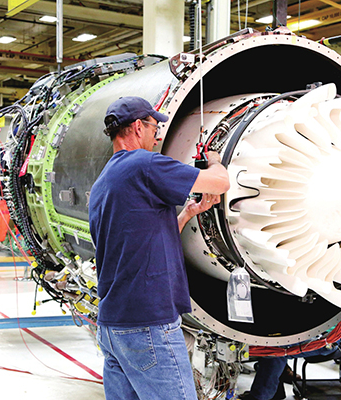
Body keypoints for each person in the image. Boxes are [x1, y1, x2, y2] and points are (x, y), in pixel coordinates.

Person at [89, 96, 230, 400]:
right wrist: (216, 161)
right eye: (155, 127)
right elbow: (219, 183)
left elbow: (137, 241)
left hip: (113, 326)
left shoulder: (105, 180)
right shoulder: (144, 164)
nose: (157, 137)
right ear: (138, 127)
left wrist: (187, 214)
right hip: (148, 324)